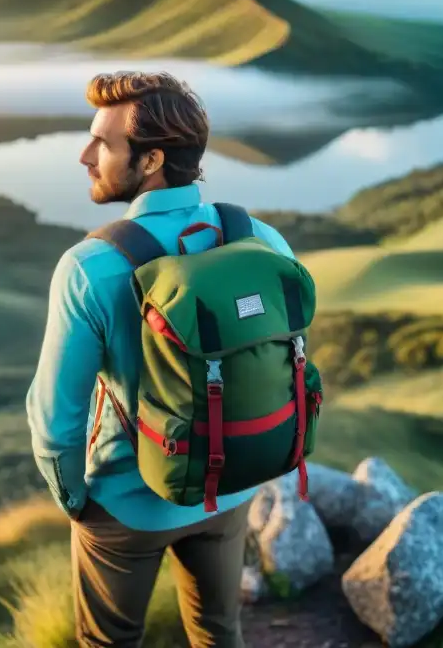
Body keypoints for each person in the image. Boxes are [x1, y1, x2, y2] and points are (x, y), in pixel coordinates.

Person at [25, 71, 298, 647]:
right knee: (219, 630)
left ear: (150, 160)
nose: (85, 154)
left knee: (111, 641)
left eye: (103, 142)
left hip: (127, 503)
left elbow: (56, 421)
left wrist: (76, 501)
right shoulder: (261, 240)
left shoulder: (89, 267)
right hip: (230, 485)